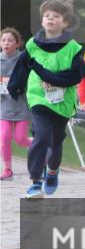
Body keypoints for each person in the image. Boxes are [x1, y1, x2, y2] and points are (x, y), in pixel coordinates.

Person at [6, 0, 85, 198]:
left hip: (62, 102)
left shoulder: (73, 48)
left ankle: (52, 171)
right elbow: (23, 66)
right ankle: (35, 182)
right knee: (41, 136)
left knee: (55, 142)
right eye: (47, 16)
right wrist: (15, 86)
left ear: (65, 22)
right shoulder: (33, 44)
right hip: (38, 97)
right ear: (42, 21)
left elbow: (74, 76)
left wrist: (47, 75)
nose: (50, 18)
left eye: (56, 16)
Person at [1, 28, 32, 180]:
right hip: (3, 105)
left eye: (10, 40)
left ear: (18, 44)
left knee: (20, 139)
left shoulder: (23, 60)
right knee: (4, 137)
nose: (6, 43)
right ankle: (7, 171)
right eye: (3, 40)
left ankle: (42, 149)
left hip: (21, 105)